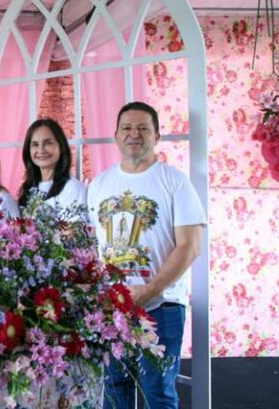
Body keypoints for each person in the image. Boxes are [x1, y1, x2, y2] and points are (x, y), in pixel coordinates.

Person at [87, 102, 206, 409]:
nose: (134, 134)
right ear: (116, 135)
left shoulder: (175, 182)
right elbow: (91, 248)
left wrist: (148, 291)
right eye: (127, 128)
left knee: (158, 392)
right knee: (115, 391)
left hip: (162, 306)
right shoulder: (99, 185)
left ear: (157, 136)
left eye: (143, 128)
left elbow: (190, 246)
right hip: (112, 308)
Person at [17, 118, 87, 213]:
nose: (41, 150)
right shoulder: (28, 188)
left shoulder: (73, 188)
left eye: (48, 143)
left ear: (61, 147)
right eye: (35, 144)